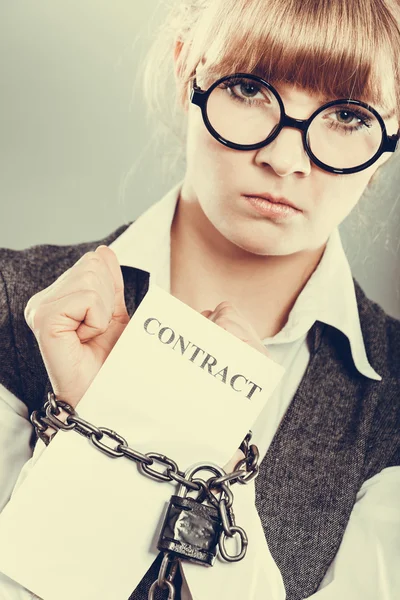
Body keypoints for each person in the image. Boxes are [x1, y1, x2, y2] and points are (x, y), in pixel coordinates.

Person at [0, 0, 399, 598]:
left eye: (347, 116)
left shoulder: (391, 396)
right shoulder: (13, 305)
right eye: (247, 89)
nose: (284, 160)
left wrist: (181, 433)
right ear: (188, 69)